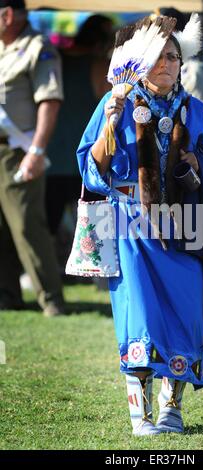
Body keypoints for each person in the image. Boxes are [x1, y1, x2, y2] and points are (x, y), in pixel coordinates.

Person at [77, 15, 203, 436]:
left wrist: (197, 165)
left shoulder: (199, 113)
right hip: (131, 223)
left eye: (174, 56)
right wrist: (111, 123)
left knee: (183, 315)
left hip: (186, 225)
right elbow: (90, 170)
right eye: (160, 57)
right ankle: (141, 415)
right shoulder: (114, 102)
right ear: (140, 61)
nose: (169, 63)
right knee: (142, 316)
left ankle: (172, 410)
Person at [0, 0, 65, 316]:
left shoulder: (38, 47)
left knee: (27, 225)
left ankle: (50, 299)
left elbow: (49, 101)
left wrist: (37, 151)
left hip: (18, 150)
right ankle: (7, 294)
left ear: (8, 15)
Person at [45, 14, 113, 264]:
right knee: (96, 227)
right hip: (88, 161)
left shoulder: (53, 60)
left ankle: (43, 276)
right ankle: (99, 277)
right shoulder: (99, 67)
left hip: (51, 158)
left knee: (47, 229)